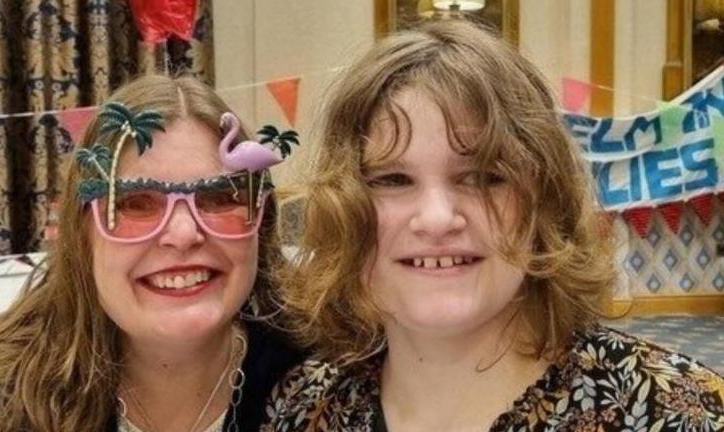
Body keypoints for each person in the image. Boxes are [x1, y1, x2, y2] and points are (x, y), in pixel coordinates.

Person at [264, 20, 724, 431]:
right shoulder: (304, 408)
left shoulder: (676, 414)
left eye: (484, 177)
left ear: (543, 200)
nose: (438, 218)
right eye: (392, 179)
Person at [0, 74, 302, 432]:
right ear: (82, 234)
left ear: (262, 224)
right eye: (136, 203)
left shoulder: (329, 392)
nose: (183, 235)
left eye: (218, 198)